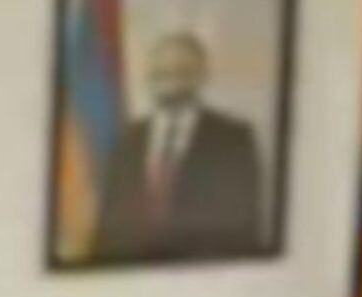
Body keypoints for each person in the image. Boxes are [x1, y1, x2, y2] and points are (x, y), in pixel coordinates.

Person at [95, 32, 264, 260]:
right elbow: (106, 227)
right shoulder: (126, 140)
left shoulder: (234, 139)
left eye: (181, 71)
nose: (170, 82)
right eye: (161, 73)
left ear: (201, 76)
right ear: (149, 78)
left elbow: (245, 226)